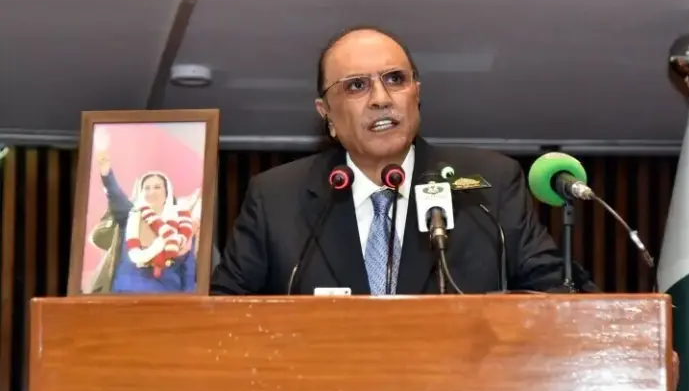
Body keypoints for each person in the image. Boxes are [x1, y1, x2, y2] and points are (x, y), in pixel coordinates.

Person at [210, 26, 598, 296]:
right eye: (357, 85)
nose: (381, 98)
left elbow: (556, 292)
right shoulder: (276, 198)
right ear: (326, 112)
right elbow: (221, 312)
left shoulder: (489, 185)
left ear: (417, 93)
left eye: (395, 79)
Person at [87, 130, 202, 293]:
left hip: (166, 301)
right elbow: (113, 191)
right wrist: (103, 160)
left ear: (167, 192)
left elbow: (188, 273)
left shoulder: (183, 225)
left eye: (157, 187)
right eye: (146, 188)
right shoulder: (129, 215)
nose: (151, 192)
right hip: (122, 298)